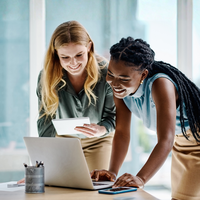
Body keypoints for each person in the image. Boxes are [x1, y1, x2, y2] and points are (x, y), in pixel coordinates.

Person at [91, 37, 200, 200]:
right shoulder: (119, 89)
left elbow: (165, 140)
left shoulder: (161, 84)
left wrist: (141, 178)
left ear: (143, 75)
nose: (114, 83)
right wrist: (112, 172)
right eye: (110, 74)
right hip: (181, 141)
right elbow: (121, 132)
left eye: (124, 78)